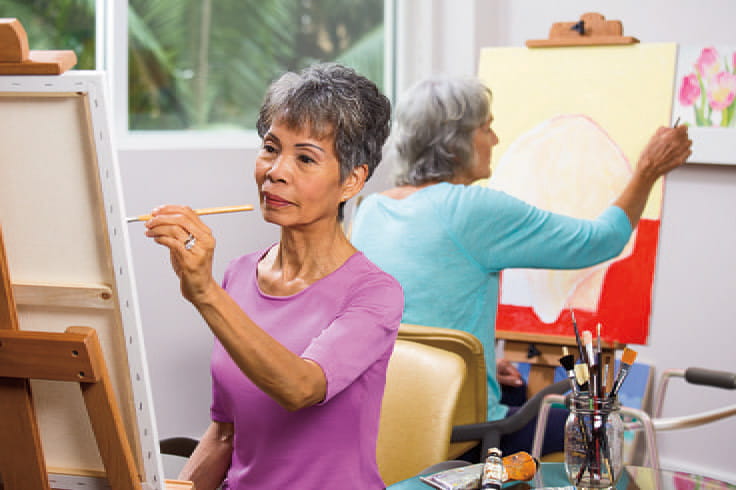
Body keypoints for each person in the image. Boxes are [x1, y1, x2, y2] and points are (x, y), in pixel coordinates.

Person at [350, 76, 692, 456]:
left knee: (515, 388)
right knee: (597, 429)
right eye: (487, 127)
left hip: (382, 421)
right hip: (455, 431)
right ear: (456, 141)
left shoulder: (370, 211)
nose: (495, 140)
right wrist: (647, 170)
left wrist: (479, 364)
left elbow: (413, 318)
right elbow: (599, 240)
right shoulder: (471, 209)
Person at [144, 63, 401, 489]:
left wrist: (204, 292)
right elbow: (225, 434)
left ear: (352, 180)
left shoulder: (374, 294)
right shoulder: (239, 274)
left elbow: (299, 387)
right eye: (270, 148)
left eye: (305, 158)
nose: (276, 172)